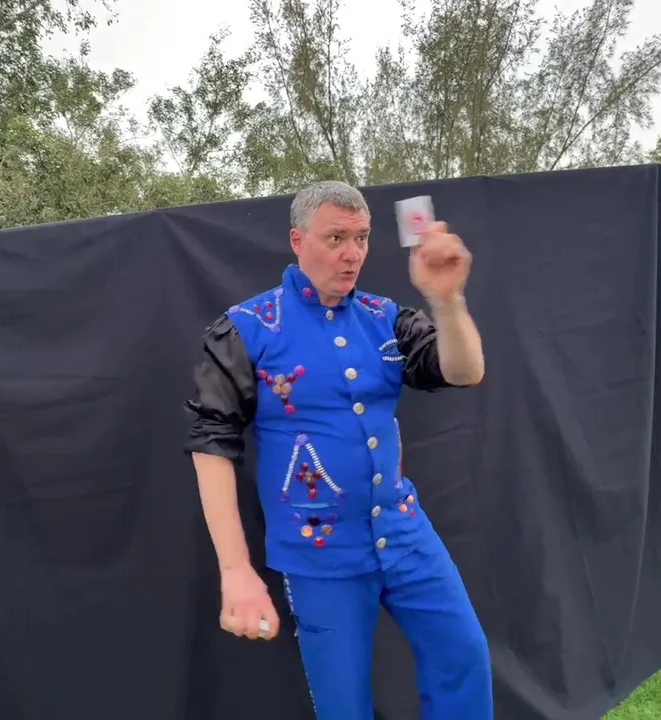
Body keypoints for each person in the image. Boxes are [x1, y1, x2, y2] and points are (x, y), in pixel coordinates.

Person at [182, 180, 492, 720]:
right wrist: (235, 570)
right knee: (342, 703)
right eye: (336, 238)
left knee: (464, 656)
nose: (353, 254)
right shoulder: (248, 329)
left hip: (404, 534)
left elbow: (463, 371)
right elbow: (211, 444)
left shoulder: (384, 318)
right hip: (317, 554)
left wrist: (447, 300)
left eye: (362, 238)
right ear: (297, 241)